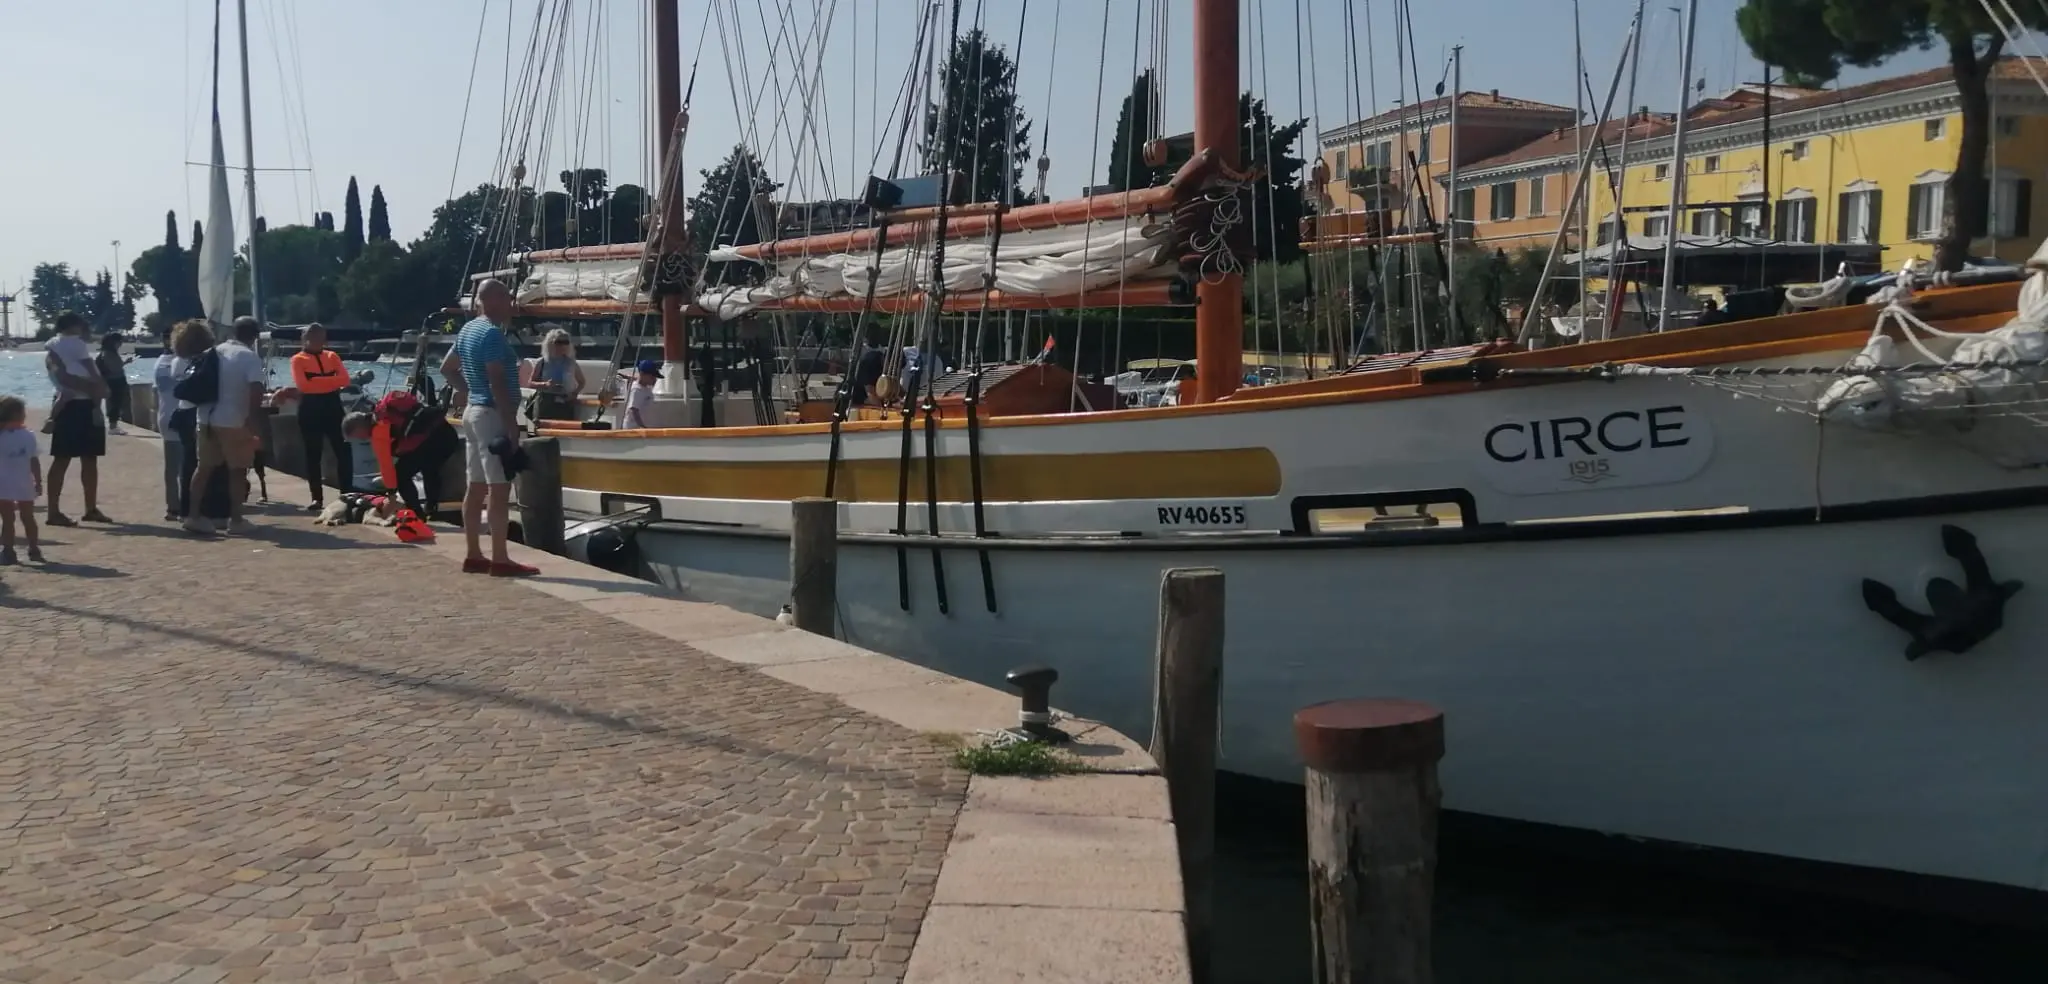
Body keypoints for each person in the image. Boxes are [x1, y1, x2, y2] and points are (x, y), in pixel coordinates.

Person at [442, 279, 538, 576]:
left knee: (476, 486)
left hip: (473, 412)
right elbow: (496, 378)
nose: (511, 303)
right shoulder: (493, 334)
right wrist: (511, 424)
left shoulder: (468, 329)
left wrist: (466, 390)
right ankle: (500, 558)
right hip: (493, 413)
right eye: (507, 298)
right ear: (493, 300)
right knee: (499, 488)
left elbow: (447, 368)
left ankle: (473, 553)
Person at [184, 316, 267, 536]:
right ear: (254, 336)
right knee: (238, 470)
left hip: (206, 418)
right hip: (234, 421)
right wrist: (253, 424)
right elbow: (256, 391)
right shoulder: (249, 357)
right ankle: (236, 519)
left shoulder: (214, 351)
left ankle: (193, 516)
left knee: (203, 468)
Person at [42, 312, 109, 527]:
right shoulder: (75, 343)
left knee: (76, 458)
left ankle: (80, 509)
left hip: (73, 403)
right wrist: (99, 387)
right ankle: (62, 511)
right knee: (74, 459)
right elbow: (89, 368)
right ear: (74, 326)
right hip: (80, 404)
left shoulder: (52, 345)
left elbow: (60, 375)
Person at [351, 391, 459, 520]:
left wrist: (391, 493)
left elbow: (386, 466)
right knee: (430, 470)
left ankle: (416, 513)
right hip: (448, 435)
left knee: (401, 475)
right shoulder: (383, 408)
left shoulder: (379, 430)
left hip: (431, 441)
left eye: (358, 436)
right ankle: (431, 509)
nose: (361, 439)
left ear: (359, 428)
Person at [290, 323, 353, 510]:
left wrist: (316, 380)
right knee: (313, 453)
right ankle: (316, 497)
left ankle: (346, 494)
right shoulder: (297, 360)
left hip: (332, 405)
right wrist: (329, 381)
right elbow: (304, 386)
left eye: (320, 337)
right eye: (312, 337)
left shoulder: (332, 356)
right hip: (310, 407)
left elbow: (345, 380)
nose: (317, 341)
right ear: (304, 339)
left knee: (343, 451)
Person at [154, 321, 210, 521]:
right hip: (185, 414)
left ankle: (172, 506)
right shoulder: (188, 362)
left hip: (165, 415)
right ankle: (191, 505)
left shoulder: (160, 362)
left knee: (171, 466)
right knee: (190, 464)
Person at [0, 396, 43, 565]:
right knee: (28, 517)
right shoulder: (28, 435)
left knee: (7, 519)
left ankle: (9, 550)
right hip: (24, 481)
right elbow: (34, 461)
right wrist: (38, 481)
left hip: (3, 483)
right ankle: (33, 548)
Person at [523, 328, 586, 422]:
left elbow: (582, 382)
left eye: (566, 342)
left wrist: (574, 393)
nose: (563, 345)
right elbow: (530, 383)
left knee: (564, 432)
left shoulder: (571, 363)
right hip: (545, 401)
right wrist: (545, 384)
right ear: (550, 343)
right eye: (559, 342)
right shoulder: (542, 362)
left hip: (565, 402)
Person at [95, 332, 132, 435]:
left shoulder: (108, 353)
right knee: (115, 403)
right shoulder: (108, 353)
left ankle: (113, 425)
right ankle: (113, 426)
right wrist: (122, 363)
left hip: (114, 381)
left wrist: (125, 362)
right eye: (119, 342)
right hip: (114, 381)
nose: (120, 344)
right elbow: (114, 368)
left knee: (117, 403)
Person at [623, 359, 660, 429]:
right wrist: (641, 426)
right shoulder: (637, 390)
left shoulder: (646, 388)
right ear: (642, 374)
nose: (654, 379)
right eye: (652, 377)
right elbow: (634, 409)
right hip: (634, 428)